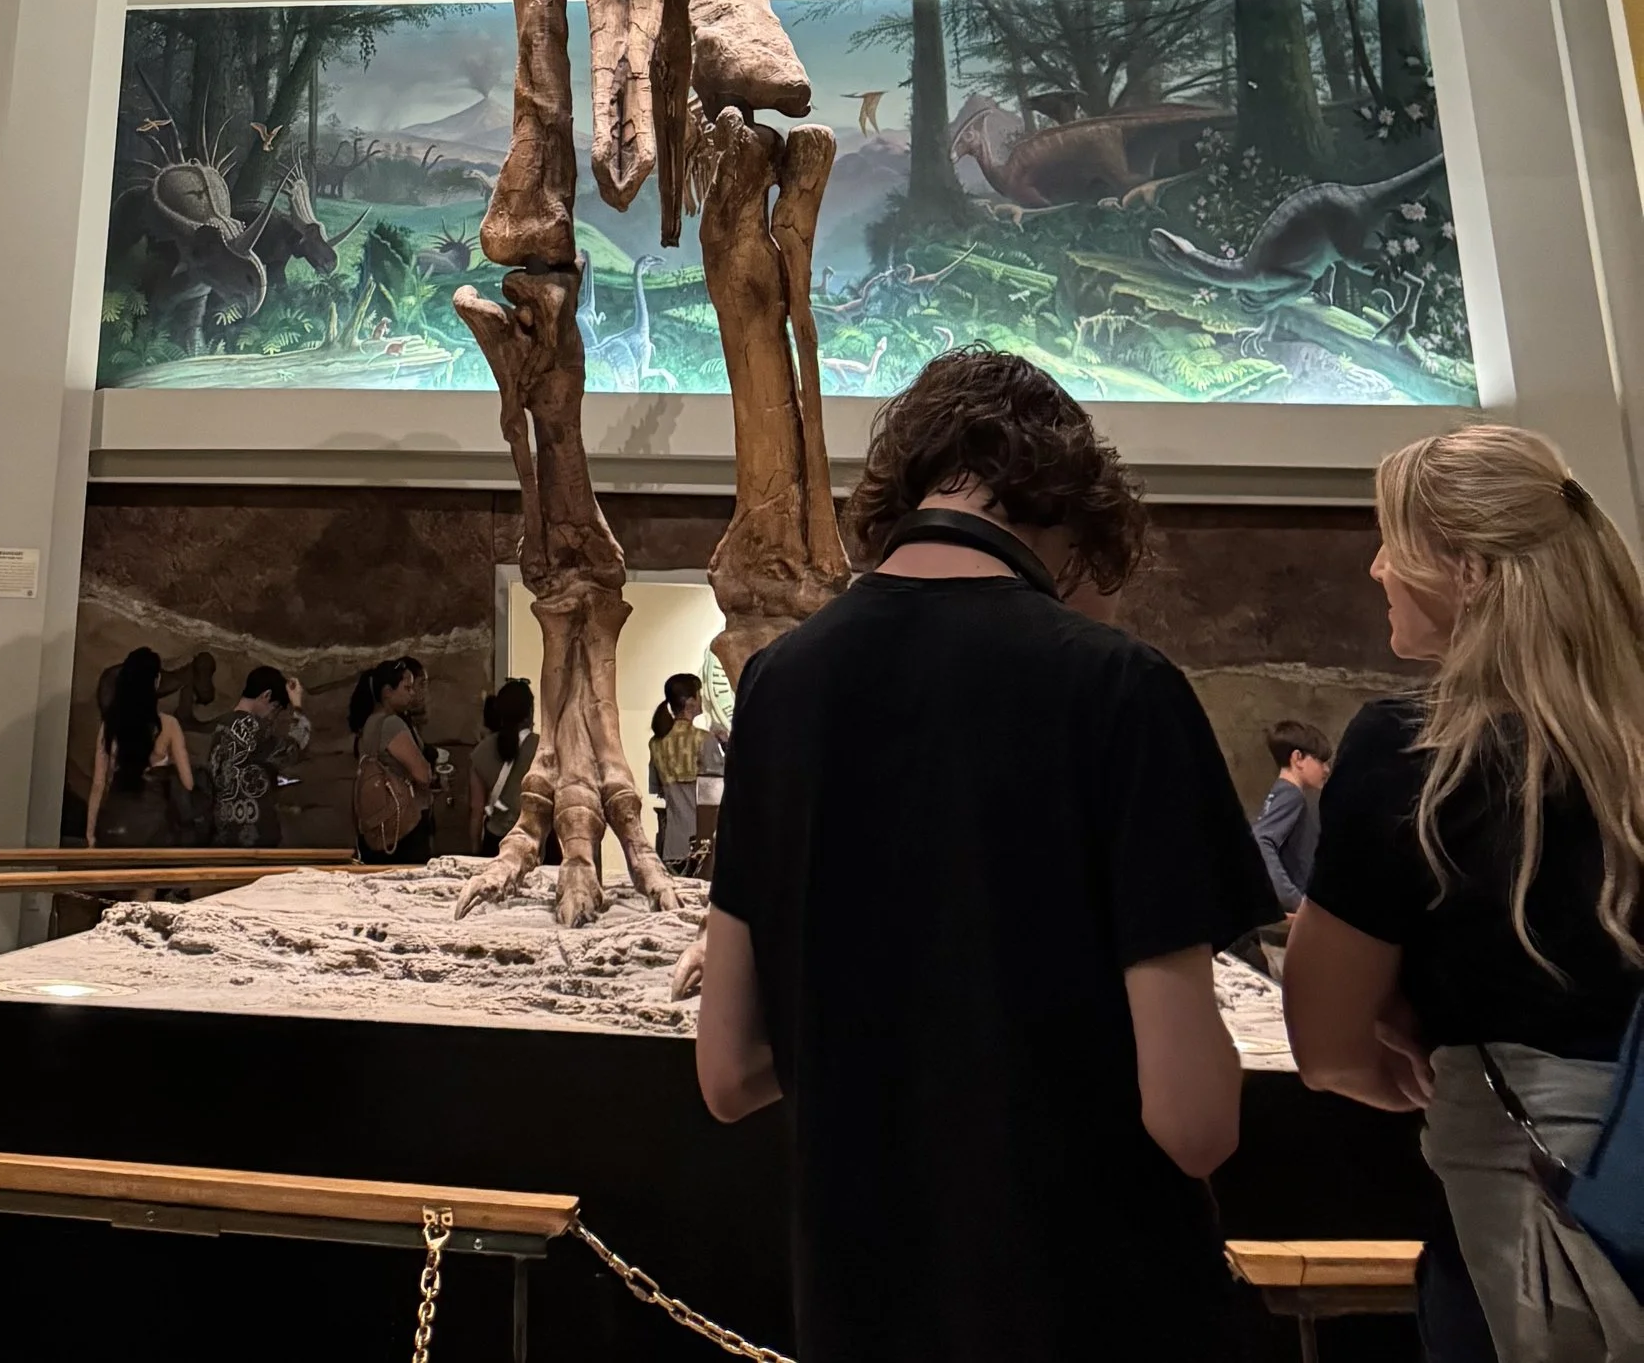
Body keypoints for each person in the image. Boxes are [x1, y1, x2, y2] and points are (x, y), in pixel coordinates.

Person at [696, 348, 1272, 1363]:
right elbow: (1193, 1123)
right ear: (1072, 503)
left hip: (860, 1307)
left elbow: (730, 1071)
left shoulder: (781, 685)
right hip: (1098, 1308)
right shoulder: (1121, 688)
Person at [1284, 424, 1644, 1363]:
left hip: (1535, 1220)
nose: (1374, 568)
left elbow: (1325, 1047)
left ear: (1469, 571)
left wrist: (1412, 1041)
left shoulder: (1417, 751)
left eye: (1393, 542)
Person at [87, 645, 193, 848]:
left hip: (114, 826)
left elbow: (99, 783)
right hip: (155, 831)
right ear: (157, 681)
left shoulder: (109, 725)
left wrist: (90, 833)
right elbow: (187, 783)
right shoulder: (169, 725)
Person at [206, 666, 308, 848]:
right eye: (275, 708)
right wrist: (298, 707)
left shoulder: (221, 725)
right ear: (266, 696)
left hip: (223, 827)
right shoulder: (255, 726)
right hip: (254, 830)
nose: (273, 717)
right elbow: (291, 750)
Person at [350, 657, 438, 862]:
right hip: (402, 823)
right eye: (406, 688)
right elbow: (422, 775)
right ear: (388, 692)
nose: (412, 693)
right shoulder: (391, 724)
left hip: (377, 822)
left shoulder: (368, 723)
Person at [1252, 718, 1334, 913]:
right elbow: (1261, 840)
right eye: (1321, 760)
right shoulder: (1291, 795)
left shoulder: (1281, 793)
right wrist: (1293, 900)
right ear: (1297, 758)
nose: (1326, 769)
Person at [650, 674, 714, 871]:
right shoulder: (704, 739)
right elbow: (717, 792)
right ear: (691, 702)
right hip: (702, 843)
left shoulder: (656, 742)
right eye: (699, 694)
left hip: (670, 844)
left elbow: (656, 788)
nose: (702, 699)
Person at [470, 679, 537, 852]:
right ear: (530, 713)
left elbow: (476, 811)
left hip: (495, 842)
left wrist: (475, 852)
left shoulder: (480, 752)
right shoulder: (543, 748)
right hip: (537, 840)